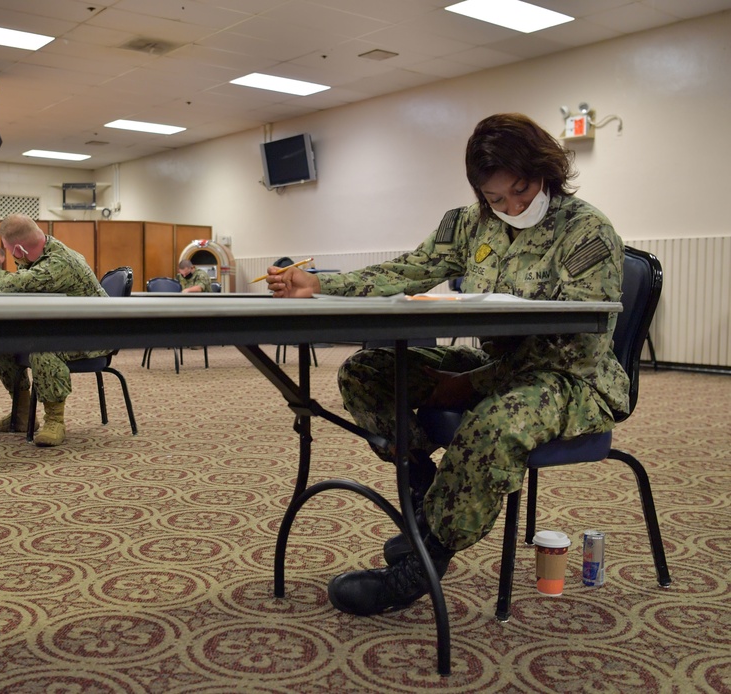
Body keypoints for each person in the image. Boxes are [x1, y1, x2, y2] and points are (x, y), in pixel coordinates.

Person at [263, 113, 627, 616]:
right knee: (368, 372)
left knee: (493, 424)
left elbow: (578, 349)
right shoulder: (467, 223)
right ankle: (423, 500)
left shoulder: (587, 231)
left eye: (521, 190)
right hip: (497, 364)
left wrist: (469, 385)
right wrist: (321, 284)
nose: (513, 206)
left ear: (545, 169)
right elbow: (409, 269)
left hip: (571, 381)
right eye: (497, 199)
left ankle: (425, 560)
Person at [0, 215, 110, 447]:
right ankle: (22, 414)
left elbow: (16, 285)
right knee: (0, 343)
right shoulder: (41, 254)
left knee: (43, 349)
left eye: (7, 249)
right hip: (65, 328)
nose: (9, 256)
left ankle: (55, 420)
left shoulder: (59, 263)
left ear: (19, 248)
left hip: (93, 334)